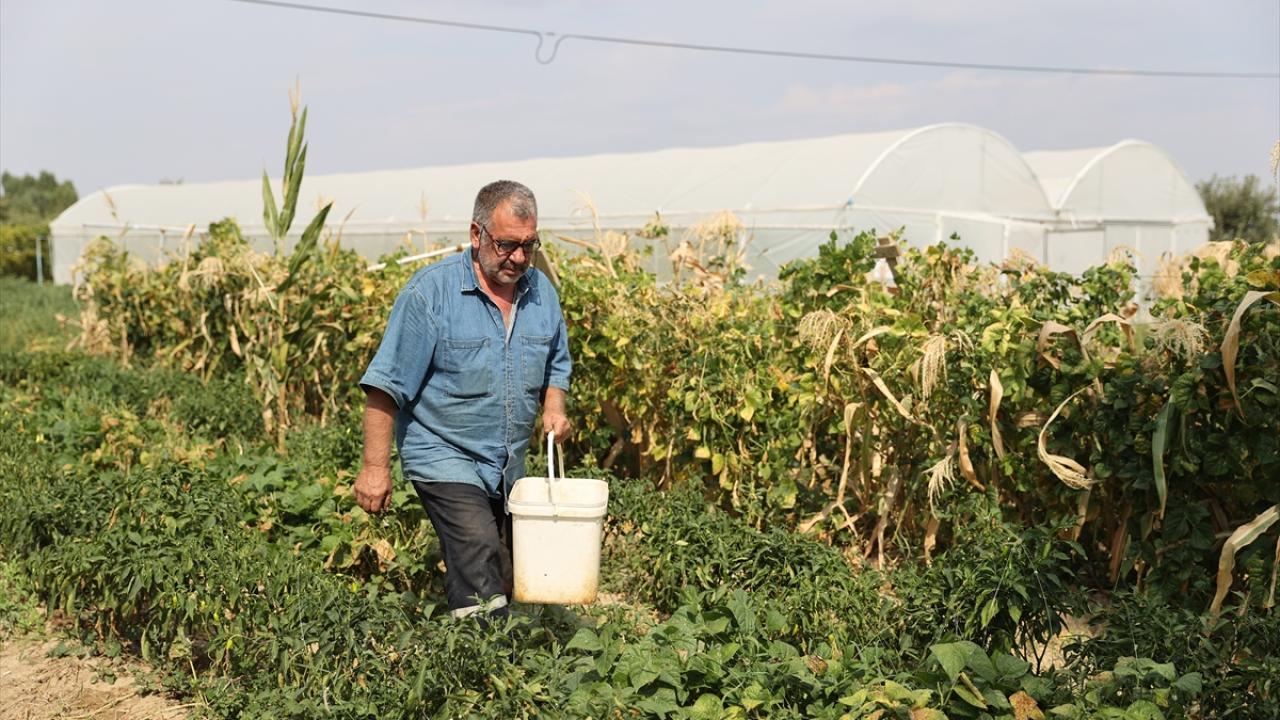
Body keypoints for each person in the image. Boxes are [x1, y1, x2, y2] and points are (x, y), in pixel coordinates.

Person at [353, 180, 571, 621]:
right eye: (507, 244)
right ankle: (487, 669)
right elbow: (385, 385)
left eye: (530, 245)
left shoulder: (541, 293)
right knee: (477, 546)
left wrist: (555, 406)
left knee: (511, 569)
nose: (520, 258)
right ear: (477, 234)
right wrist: (375, 468)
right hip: (444, 453)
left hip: (507, 464)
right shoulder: (430, 294)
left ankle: (499, 650)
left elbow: (557, 362)